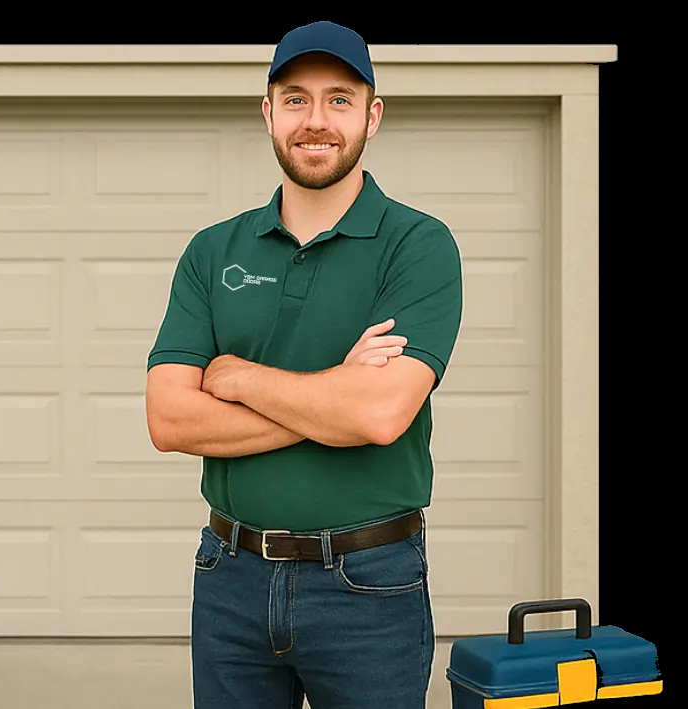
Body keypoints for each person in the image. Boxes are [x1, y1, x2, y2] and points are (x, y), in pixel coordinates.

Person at [144, 21, 464, 709]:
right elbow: (169, 418)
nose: (315, 120)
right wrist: (332, 396)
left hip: (367, 583)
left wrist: (235, 378)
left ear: (371, 116)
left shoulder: (417, 246)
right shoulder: (212, 251)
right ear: (267, 112)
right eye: (295, 99)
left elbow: (379, 414)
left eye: (338, 100)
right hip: (228, 576)